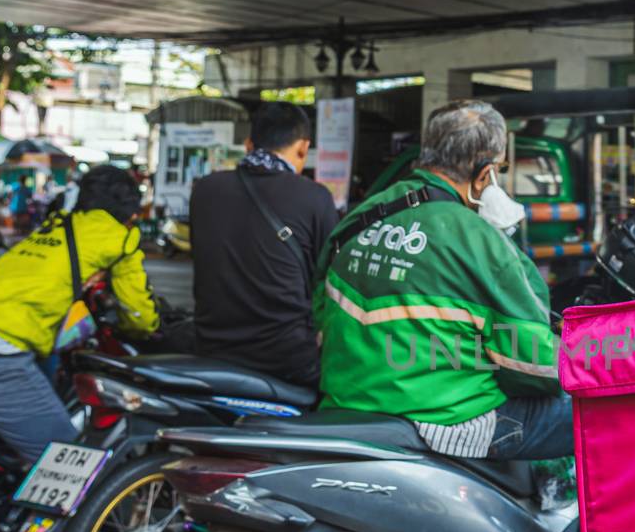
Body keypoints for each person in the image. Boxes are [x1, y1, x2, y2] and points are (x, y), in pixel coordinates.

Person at [314, 99, 568, 460]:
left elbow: (319, 312)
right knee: (587, 409)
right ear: (485, 175)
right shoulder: (482, 242)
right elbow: (535, 365)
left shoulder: (359, 218)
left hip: (345, 403)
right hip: (445, 423)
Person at [0, 167, 159, 463]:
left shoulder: (54, 225)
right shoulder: (119, 238)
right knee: (67, 467)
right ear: (130, 209)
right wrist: (150, 329)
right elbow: (138, 312)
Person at [191, 101, 339, 386]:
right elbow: (330, 275)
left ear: (248, 144)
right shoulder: (314, 197)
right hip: (288, 358)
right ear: (302, 148)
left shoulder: (205, 189)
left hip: (213, 350)